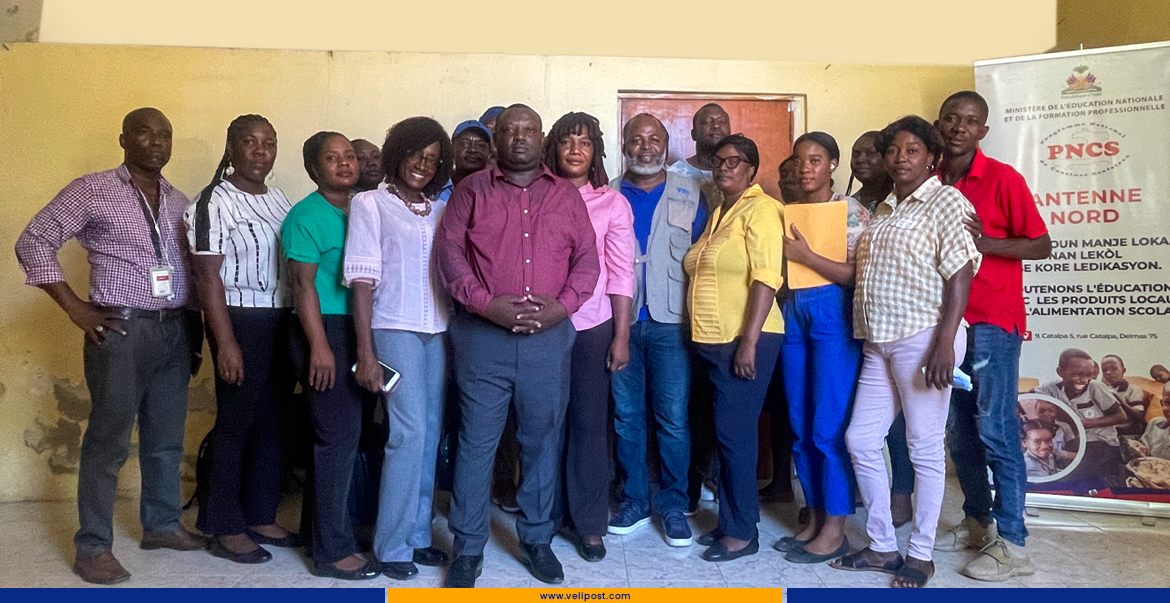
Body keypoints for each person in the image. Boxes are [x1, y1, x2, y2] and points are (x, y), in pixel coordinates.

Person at [15, 107, 208, 585]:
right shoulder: (92, 189)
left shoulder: (179, 200)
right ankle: (94, 547)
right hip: (121, 330)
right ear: (123, 139)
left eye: (165, 135)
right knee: (109, 440)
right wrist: (75, 308)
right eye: (145, 132)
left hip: (172, 329)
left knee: (166, 438)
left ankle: (161, 525)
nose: (156, 142)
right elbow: (33, 240)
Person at [436, 104, 600, 587]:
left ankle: (536, 540)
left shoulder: (565, 195)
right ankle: (467, 549)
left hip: (547, 342)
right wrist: (486, 305)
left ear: (541, 138)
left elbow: (587, 261)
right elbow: (450, 256)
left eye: (529, 130)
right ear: (497, 138)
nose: (520, 137)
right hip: (482, 339)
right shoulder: (470, 191)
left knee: (541, 443)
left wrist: (561, 307)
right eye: (510, 130)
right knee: (476, 444)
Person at [830, 115, 980, 588]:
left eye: (912, 150)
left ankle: (920, 555)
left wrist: (944, 343)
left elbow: (961, 272)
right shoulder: (885, 208)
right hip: (879, 340)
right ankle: (881, 546)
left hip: (924, 336)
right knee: (861, 440)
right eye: (893, 150)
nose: (900, 158)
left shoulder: (945, 200)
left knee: (924, 447)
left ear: (931, 157)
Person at [931, 90, 1051, 582]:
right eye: (951, 118)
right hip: (945, 325)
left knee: (996, 430)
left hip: (992, 323)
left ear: (983, 130)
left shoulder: (1003, 179)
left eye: (970, 121)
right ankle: (977, 522)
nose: (959, 127)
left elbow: (1041, 244)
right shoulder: (931, 179)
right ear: (939, 125)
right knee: (959, 432)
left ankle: (1014, 544)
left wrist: (987, 243)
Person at [184, 114, 300, 564]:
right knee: (236, 421)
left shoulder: (279, 199)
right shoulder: (212, 201)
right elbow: (206, 276)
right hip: (238, 319)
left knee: (273, 419)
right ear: (231, 148)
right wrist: (226, 342)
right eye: (249, 142)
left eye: (268, 142)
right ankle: (223, 523)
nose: (260, 151)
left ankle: (260, 513)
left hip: (280, 317)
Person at [346, 117, 455, 580]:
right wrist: (365, 352)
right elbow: (362, 281)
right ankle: (391, 547)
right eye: (414, 154)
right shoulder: (370, 203)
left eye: (431, 159)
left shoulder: (439, 210)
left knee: (429, 434)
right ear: (397, 154)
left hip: (437, 331)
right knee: (407, 434)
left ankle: (417, 536)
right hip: (393, 328)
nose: (422, 165)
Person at [282, 131, 382, 581]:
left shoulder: (363, 208)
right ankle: (331, 553)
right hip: (323, 331)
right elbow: (302, 285)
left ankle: (318, 533)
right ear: (313, 169)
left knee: (346, 438)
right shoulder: (305, 215)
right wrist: (319, 346)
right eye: (331, 158)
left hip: (357, 330)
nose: (344, 164)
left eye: (349, 156)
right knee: (336, 440)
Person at [685, 134, 785, 563]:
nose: (724, 168)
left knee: (735, 438)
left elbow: (766, 277)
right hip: (713, 339)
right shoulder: (721, 211)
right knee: (726, 436)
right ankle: (730, 522)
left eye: (734, 161)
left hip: (745, 338)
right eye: (718, 161)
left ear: (751, 170)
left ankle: (743, 533)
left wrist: (749, 341)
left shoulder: (762, 209)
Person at [608, 113, 706, 548]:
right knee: (626, 416)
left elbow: (705, 255)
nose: (645, 147)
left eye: (654, 139)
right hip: (621, 323)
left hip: (672, 324)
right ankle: (634, 500)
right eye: (636, 139)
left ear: (666, 145)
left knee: (673, 419)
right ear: (624, 145)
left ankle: (673, 505)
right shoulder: (608, 194)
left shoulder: (693, 191)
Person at [541, 112, 634, 562]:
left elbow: (621, 272)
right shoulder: (537, 195)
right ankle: (547, 515)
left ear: (595, 150)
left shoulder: (611, 203)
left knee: (588, 424)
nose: (575, 149)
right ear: (553, 149)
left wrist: (621, 334)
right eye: (566, 141)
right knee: (543, 422)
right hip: (542, 325)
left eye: (584, 141)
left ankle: (589, 523)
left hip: (592, 325)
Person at [775, 132, 870, 564]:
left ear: (833, 164)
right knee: (799, 422)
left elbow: (858, 274)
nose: (805, 168)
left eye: (815, 160)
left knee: (828, 428)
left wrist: (807, 256)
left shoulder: (850, 211)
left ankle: (835, 529)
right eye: (799, 160)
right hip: (794, 311)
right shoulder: (789, 211)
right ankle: (814, 519)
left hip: (834, 313)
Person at [1035, 349, 1127, 480]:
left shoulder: (1095, 387)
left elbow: (1121, 416)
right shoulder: (1049, 389)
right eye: (1077, 374)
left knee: (1074, 476)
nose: (1083, 380)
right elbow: (1028, 399)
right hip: (1068, 442)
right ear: (1061, 372)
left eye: (1089, 375)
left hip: (1099, 442)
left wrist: (1086, 424)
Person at [668, 103, 730, 204]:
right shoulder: (675, 174)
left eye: (722, 121)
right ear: (693, 134)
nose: (716, 125)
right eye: (706, 122)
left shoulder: (738, 172)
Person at [439, 120, 492, 201]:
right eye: (464, 143)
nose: (473, 149)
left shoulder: (496, 191)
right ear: (452, 147)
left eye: (480, 145)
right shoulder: (436, 188)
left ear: (490, 152)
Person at [1101, 354, 1150, 437]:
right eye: (1104, 370)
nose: (1108, 372)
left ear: (1123, 370)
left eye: (1114, 369)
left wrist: (1118, 400)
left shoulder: (1132, 389)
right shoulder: (1105, 390)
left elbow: (1140, 416)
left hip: (1127, 433)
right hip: (1108, 432)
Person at [846, 131, 893, 213]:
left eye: (870, 153)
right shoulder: (846, 205)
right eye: (856, 154)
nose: (860, 159)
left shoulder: (898, 203)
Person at [1033, 399, 1077, 463]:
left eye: (1051, 411)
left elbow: (1072, 446)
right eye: (1041, 411)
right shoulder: (1033, 427)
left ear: (1056, 412)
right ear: (1036, 412)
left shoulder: (1064, 426)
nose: (1046, 414)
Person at [1136, 385, 1170, 460]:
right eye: (1167, 403)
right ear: (1161, 403)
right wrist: (1142, 450)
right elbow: (1145, 446)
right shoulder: (1155, 424)